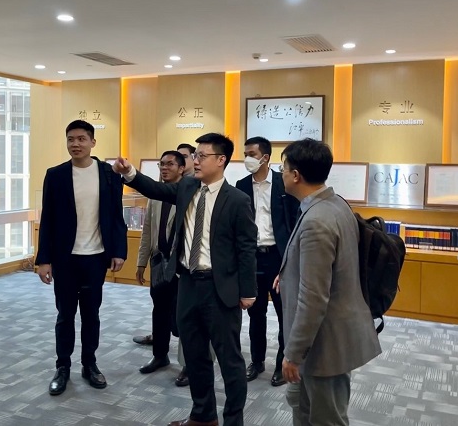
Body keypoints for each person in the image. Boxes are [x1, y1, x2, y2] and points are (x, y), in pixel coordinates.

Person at [114, 132, 257, 426]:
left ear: (221, 160)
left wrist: (248, 291)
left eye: (202, 156)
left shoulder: (237, 200)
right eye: (195, 156)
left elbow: (246, 249)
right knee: (194, 355)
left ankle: (234, 421)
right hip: (188, 283)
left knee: (229, 360)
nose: (196, 161)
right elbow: (155, 189)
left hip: (220, 288)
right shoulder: (187, 187)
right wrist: (129, 173)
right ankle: (203, 416)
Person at [275, 138, 381, 425]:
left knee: (326, 418)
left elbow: (313, 298)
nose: (281, 174)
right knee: (305, 409)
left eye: (283, 168)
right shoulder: (332, 204)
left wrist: (293, 354)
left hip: (324, 344)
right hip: (327, 336)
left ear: (296, 175)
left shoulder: (316, 220)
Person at [36, 119, 127, 396]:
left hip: (95, 257)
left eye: (81, 139)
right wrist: (44, 259)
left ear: (92, 142)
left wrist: (119, 251)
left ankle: (90, 364)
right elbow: (48, 219)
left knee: (91, 314)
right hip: (65, 259)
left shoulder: (109, 174)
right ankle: (62, 367)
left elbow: (116, 215)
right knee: (65, 315)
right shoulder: (56, 175)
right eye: (71, 139)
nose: (75, 144)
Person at [235, 136, 299, 387]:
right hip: (252, 258)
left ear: (265, 157)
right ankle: (257, 361)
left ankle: (282, 363)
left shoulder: (284, 184)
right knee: (255, 313)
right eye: (245, 154)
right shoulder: (241, 185)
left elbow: (294, 223)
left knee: (284, 314)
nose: (247, 159)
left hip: (278, 258)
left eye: (251, 154)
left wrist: (291, 261)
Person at [135, 151, 185, 378]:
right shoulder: (154, 195)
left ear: (181, 168)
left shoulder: (187, 193)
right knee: (160, 310)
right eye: (161, 164)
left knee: (182, 314)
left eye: (170, 164)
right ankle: (160, 355)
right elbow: (147, 230)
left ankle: (187, 364)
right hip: (158, 262)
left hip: (180, 265)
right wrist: (141, 263)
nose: (165, 168)